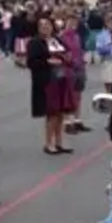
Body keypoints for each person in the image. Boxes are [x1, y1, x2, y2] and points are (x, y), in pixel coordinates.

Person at [27, 18, 73, 155]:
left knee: (60, 112)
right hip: (47, 81)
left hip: (61, 79)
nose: (45, 27)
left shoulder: (57, 40)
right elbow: (32, 63)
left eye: (47, 25)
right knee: (51, 113)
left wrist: (66, 58)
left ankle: (59, 142)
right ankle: (49, 143)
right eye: (42, 25)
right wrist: (48, 61)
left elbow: (67, 53)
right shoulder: (35, 43)